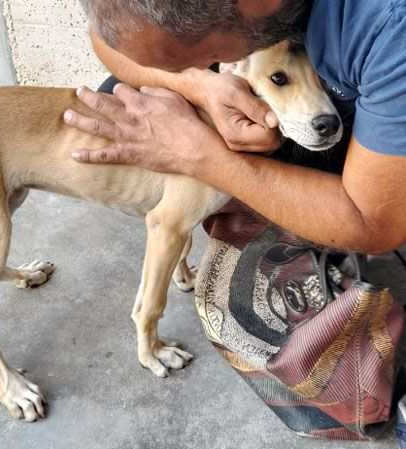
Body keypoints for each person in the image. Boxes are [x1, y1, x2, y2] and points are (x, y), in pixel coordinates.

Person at [64, 0, 406, 440]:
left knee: (252, 312)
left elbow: (370, 220)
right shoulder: (242, 23)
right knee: (125, 94)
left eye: (196, 55)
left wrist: (205, 157)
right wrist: (199, 86)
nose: (198, 69)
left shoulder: (386, 26)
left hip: (377, 155)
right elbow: (113, 41)